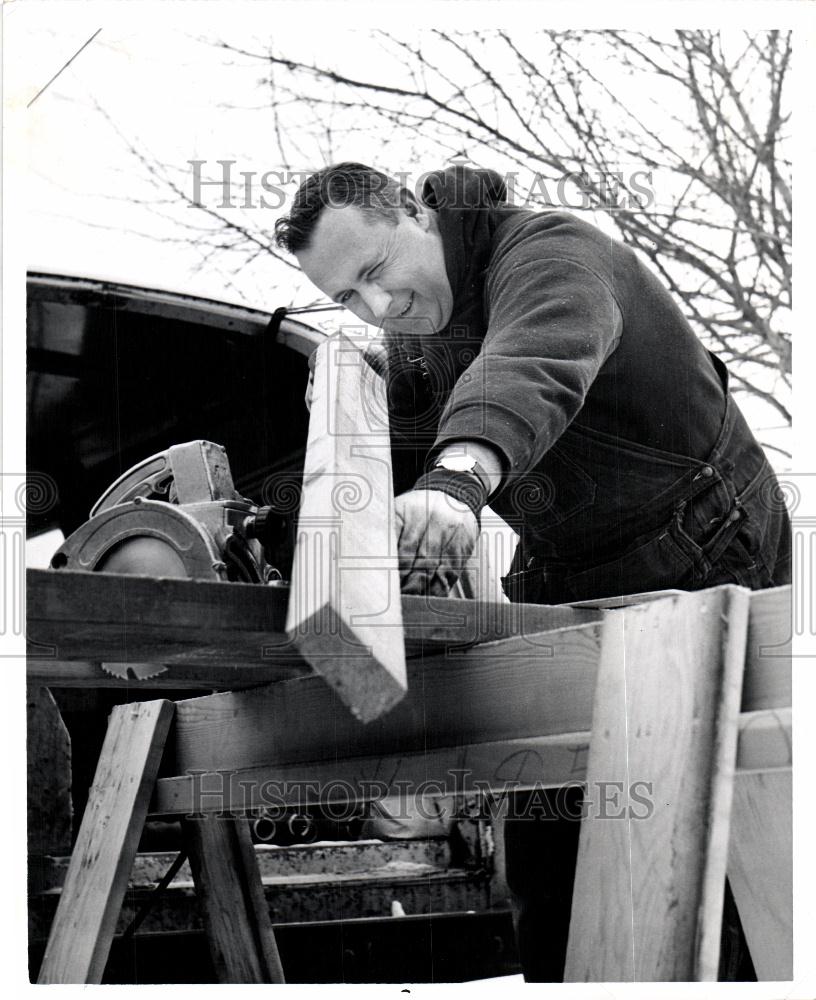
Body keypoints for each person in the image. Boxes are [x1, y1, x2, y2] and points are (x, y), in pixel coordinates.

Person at [274, 162, 790, 980]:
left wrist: (453, 486)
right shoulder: (417, 336)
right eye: (347, 299)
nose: (377, 308)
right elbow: (386, 447)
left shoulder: (551, 255)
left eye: (375, 272)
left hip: (705, 551)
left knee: (697, 859)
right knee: (551, 859)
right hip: (572, 577)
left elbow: (528, 363)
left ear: (414, 210)